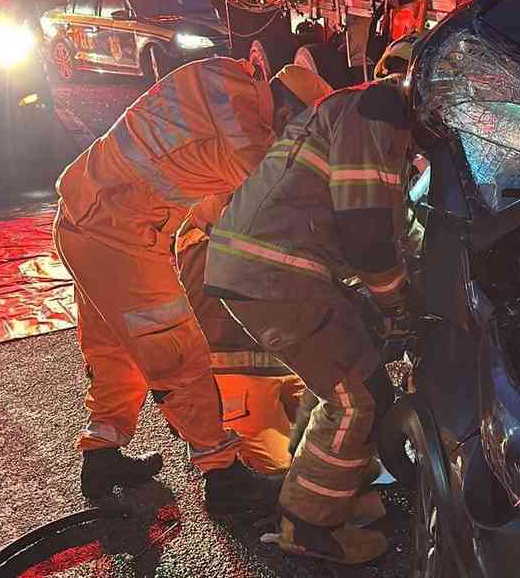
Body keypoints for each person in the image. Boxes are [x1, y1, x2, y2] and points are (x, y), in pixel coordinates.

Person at [53, 57, 331, 513]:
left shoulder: (221, 78)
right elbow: (272, 211)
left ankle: (102, 454)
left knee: (114, 351)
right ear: (287, 116)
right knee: (176, 351)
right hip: (117, 235)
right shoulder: (244, 130)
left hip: (84, 220)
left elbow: (208, 190)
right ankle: (222, 475)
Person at [203, 75, 414, 563]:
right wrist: (397, 304)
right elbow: (366, 232)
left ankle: (344, 501)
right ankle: (310, 527)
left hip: (267, 267)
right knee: (356, 400)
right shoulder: (379, 114)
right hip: (277, 273)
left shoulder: (356, 107)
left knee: (352, 385)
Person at [174, 65, 333, 475]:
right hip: (236, 363)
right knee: (277, 475)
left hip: (280, 360)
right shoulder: (246, 173)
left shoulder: (280, 165)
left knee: (339, 457)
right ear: (285, 117)